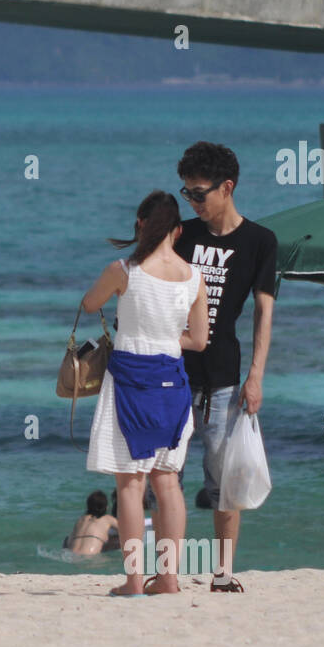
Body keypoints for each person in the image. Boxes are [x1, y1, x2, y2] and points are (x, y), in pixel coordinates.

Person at [159, 142, 277, 593]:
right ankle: (165, 572)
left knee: (226, 483)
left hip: (225, 380)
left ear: (227, 188)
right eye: (186, 192)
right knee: (165, 477)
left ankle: (223, 573)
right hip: (170, 374)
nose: (192, 202)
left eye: (199, 193)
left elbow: (264, 312)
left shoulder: (260, 242)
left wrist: (257, 376)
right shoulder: (181, 235)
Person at [82, 191, 209, 595]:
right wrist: (167, 334)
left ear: (140, 223)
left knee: (131, 485)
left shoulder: (123, 270)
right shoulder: (194, 277)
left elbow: (89, 304)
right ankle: (168, 579)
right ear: (177, 230)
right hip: (173, 383)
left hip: (130, 383)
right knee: (167, 483)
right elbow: (201, 340)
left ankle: (134, 581)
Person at [63, 490, 120, 555]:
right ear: (106, 507)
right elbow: (127, 532)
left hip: (70, 555)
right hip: (89, 558)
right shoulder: (108, 519)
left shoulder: (81, 520)